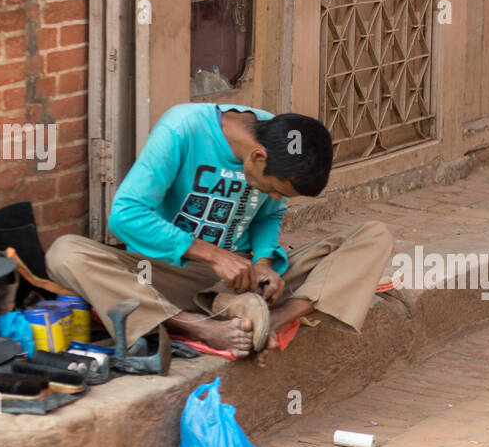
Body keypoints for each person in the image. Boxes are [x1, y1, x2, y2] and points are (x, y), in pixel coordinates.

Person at [46, 103, 393, 360]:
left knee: (374, 236)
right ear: (257, 157)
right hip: (170, 274)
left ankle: (271, 319)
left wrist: (263, 261)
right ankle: (200, 327)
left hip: (246, 279)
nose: (274, 199)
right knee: (65, 253)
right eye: (274, 189)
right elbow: (124, 216)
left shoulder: (279, 138)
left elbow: (268, 217)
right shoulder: (182, 128)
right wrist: (212, 255)